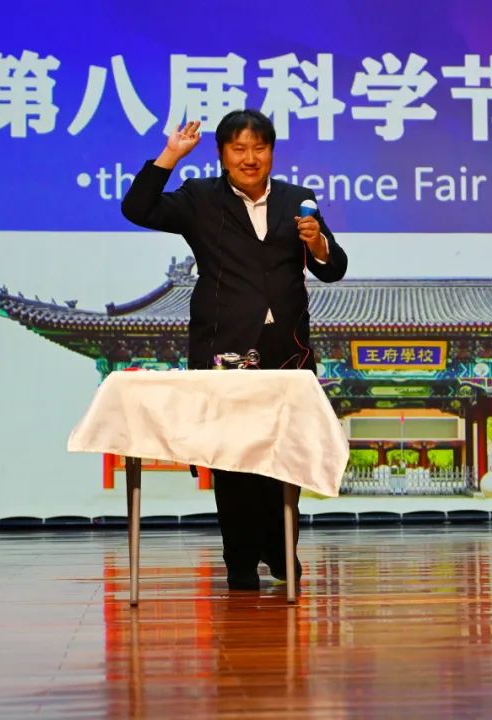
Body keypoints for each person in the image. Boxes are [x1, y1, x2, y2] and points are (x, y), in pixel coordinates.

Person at [122, 109, 348, 590]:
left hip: (286, 351)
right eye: (239, 148)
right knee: (232, 459)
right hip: (224, 347)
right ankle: (240, 562)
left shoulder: (296, 199)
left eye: (259, 148)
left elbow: (333, 268)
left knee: (285, 454)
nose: (250, 158)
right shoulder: (200, 198)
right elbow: (138, 208)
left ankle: (281, 549)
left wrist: (319, 244)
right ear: (222, 154)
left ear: (272, 153)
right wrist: (170, 155)